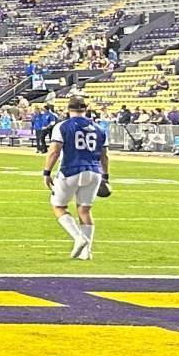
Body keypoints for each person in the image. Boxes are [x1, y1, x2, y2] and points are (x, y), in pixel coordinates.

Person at [45, 94, 105, 261]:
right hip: (94, 171)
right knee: (84, 210)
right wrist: (106, 175)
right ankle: (87, 252)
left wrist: (46, 171)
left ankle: (78, 237)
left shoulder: (62, 126)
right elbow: (104, 156)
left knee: (59, 206)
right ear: (85, 109)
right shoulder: (99, 128)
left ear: (68, 109)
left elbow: (55, 151)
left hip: (70, 169)